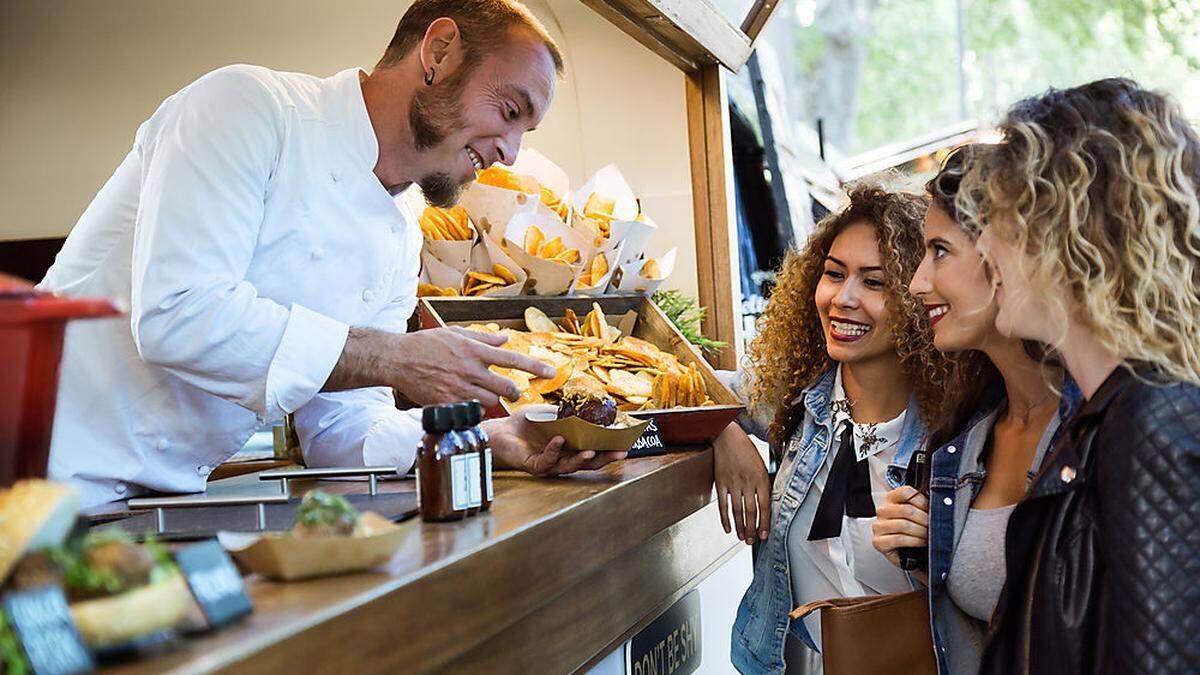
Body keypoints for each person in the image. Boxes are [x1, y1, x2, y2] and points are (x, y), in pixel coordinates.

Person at [38, 0, 626, 509]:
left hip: (154, 506)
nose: (511, 152)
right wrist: (395, 358)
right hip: (38, 476)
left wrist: (482, 436)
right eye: (509, 110)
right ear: (440, 51)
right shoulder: (248, 108)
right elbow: (178, 316)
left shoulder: (403, 229)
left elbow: (344, 431)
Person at [960, 79, 1200, 673]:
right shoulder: (1110, 416)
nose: (985, 242)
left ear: (1068, 229)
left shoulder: (1153, 421)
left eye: (1000, 218)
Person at [870, 145, 1079, 675]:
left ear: (1008, 253)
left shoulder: (1103, 430)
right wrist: (918, 553)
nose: (917, 282)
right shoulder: (966, 436)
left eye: (940, 251)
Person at [726, 184, 948, 675]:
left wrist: (937, 553)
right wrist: (726, 433)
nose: (842, 299)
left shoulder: (957, 437)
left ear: (921, 297)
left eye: (875, 282)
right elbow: (682, 384)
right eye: (833, 274)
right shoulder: (793, 401)